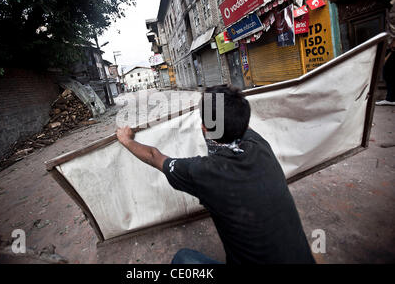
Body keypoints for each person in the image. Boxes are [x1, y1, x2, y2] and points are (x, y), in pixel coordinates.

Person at [116, 86, 315, 264]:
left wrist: (126, 140)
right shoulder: (260, 146)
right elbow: (237, 124)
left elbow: (154, 156)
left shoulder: (203, 172)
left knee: (183, 259)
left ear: (204, 128)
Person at [376, 0, 395, 106]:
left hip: (393, 43)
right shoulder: (391, 4)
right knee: (388, 71)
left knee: (388, 70)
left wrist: (393, 42)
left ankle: (391, 98)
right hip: (391, 42)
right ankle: (391, 98)